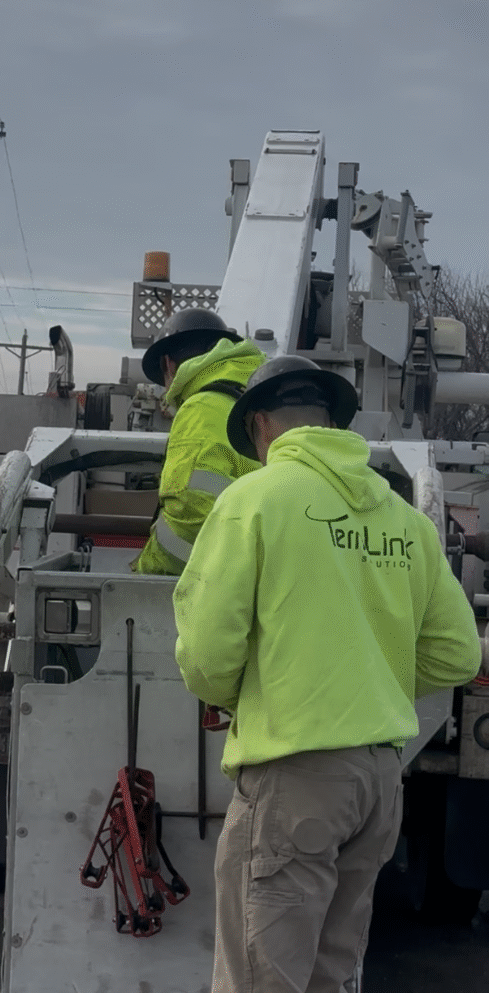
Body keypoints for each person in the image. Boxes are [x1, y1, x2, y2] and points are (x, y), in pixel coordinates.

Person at [173, 355, 482, 992]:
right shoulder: (404, 519)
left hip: (296, 777)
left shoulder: (254, 500)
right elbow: (457, 655)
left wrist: (252, 692)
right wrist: (371, 681)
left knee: (264, 978)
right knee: (332, 975)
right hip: (378, 783)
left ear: (261, 426)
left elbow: (206, 655)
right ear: (332, 423)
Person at [132, 309, 265, 576]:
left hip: (226, 585)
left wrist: (148, 569)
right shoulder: (260, 398)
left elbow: (190, 512)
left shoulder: (201, 408)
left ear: (168, 365)